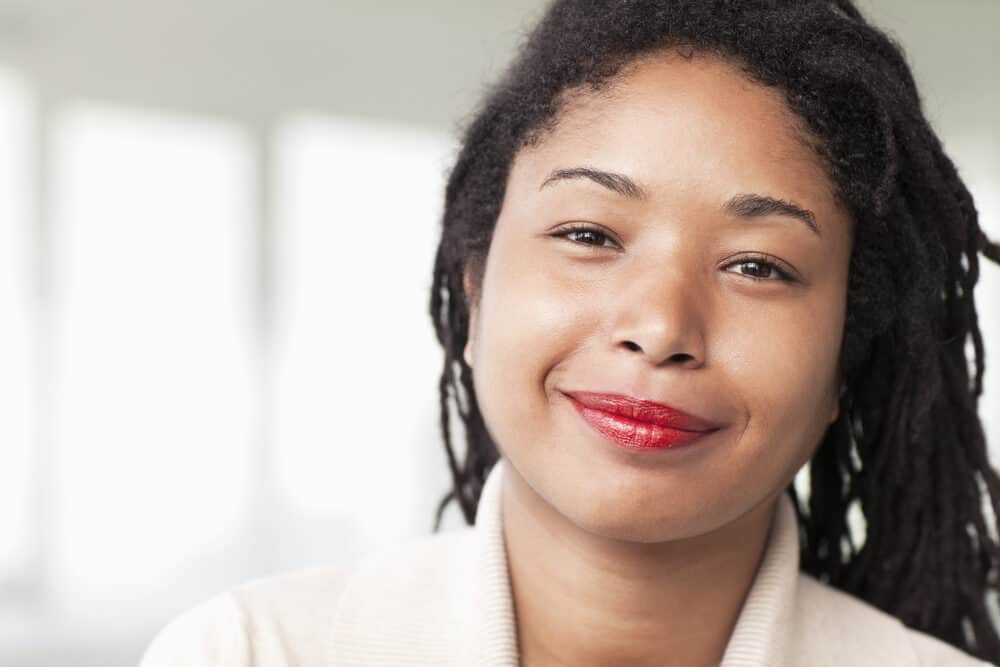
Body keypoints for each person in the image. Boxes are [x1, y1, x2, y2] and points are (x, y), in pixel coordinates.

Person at [139, 0, 1000, 665]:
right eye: (589, 235)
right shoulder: (250, 651)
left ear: (845, 360)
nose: (660, 327)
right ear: (474, 295)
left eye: (758, 266)